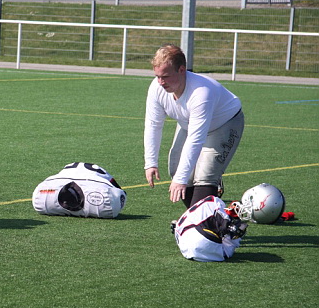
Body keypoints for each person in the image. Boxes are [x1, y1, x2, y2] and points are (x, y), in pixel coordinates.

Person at [144, 44, 244, 208]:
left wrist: (180, 179)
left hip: (225, 123)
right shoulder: (156, 87)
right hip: (189, 124)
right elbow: (153, 125)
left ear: (181, 70)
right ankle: (202, 213)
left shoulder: (201, 93)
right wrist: (151, 163)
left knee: (204, 176)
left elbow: (196, 139)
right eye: (157, 76)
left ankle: (210, 198)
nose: (161, 82)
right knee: (177, 169)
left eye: (166, 76)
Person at [32, 162, 127, 219]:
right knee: (113, 202)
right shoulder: (100, 174)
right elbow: (118, 190)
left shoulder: (40, 193)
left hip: (42, 198)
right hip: (105, 204)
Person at [171, 195, 247, 262]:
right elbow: (225, 227)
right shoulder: (215, 202)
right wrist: (233, 226)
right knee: (231, 237)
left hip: (184, 246)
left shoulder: (209, 202)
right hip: (200, 242)